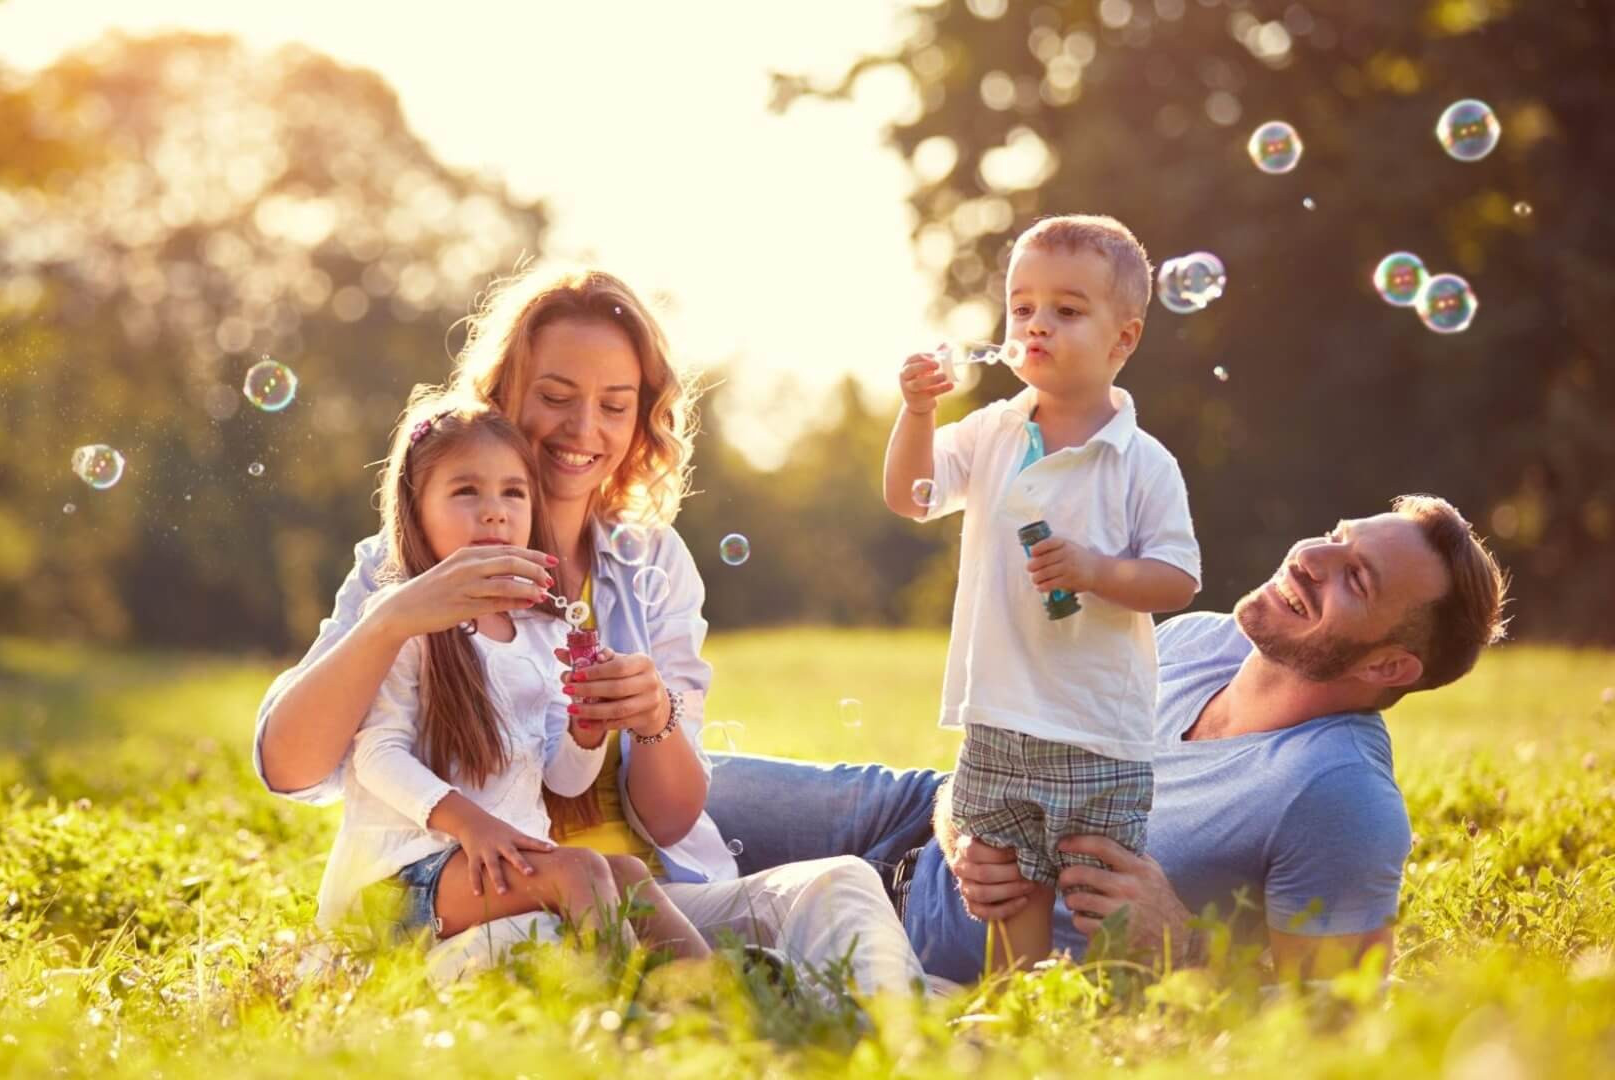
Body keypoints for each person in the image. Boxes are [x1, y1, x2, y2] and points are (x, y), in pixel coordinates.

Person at [254, 265, 923, 994]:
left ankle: (904, 1046)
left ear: (642, 417)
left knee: (842, 886)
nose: (583, 430)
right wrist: (389, 620)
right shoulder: (411, 564)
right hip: (484, 903)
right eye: (555, 397)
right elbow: (290, 768)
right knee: (584, 965)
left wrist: (650, 717)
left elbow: (666, 821)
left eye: (615, 404)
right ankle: (724, 1014)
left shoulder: (651, 562)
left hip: (648, 894)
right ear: (503, 396)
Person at [704, 494, 1509, 982]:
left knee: (647, 910)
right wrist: (959, 817)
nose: (1310, 558)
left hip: (934, 938)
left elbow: (1338, 1029)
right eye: (1337, 536)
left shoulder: (1340, 797)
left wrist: (1185, 948)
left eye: (1355, 577)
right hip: (911, 815)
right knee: (654, 782)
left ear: (1391, 664)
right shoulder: (1199, 640)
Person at [882, 214, 1201, 966]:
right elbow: (912, 494)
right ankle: (1020, 1006)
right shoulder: (993, 431)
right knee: (1008, 884)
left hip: (1097, 725)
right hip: (999, 712)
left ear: (1123, 340)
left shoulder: (1141, 463)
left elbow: (1178, 579)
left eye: (1066, 310)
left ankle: (1122, 1008)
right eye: (1022, 307)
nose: (1036, 325)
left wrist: (1096, 571)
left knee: (1100, 889)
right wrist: (919, 412)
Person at [320, 397, 710, 959]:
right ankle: (630, 1012)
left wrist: (586, 730)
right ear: (415, 508)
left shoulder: (540, 632)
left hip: (496, 864)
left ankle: (718, 998)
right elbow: (375, 755)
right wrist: (472, 825)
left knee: (624, 873)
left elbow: (566, 780)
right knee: (578, 870)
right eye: (466, 492)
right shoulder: (403, 618)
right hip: (400, 879)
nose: (495, 511)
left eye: (513, 492)